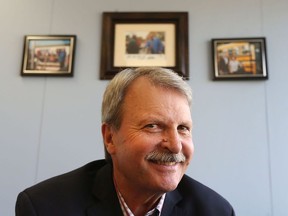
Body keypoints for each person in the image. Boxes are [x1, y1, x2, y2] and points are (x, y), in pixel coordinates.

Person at [15, 67, 235, 216]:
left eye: (183, 129)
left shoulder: (215, 211)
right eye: (153, 125)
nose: (176, 145)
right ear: (110, 138)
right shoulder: (44, 207)